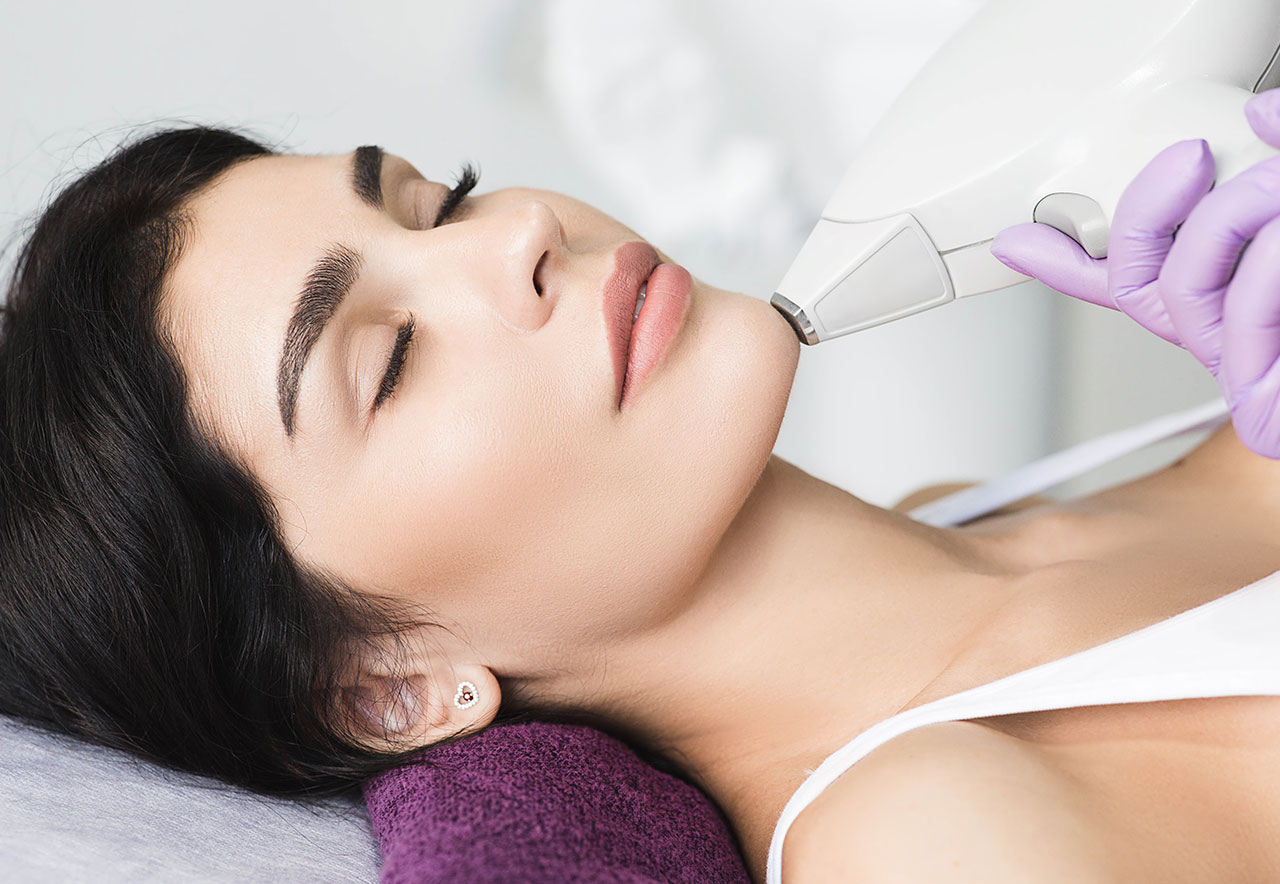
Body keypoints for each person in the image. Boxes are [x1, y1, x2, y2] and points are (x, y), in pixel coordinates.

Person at [2, 102, 1280, 884]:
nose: (515, 236)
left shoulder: (973, 504)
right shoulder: (923, 839)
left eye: (437, 201)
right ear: (383, 682)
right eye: (387, 358)